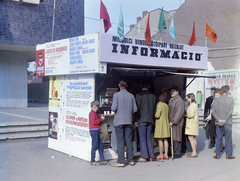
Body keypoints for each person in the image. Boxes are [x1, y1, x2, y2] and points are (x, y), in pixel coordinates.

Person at [111, 80, 138, 167]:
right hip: (128, 121)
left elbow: (113, 108)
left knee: (120, 141)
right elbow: (135, 109)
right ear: (126, 86)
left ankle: (121, 161)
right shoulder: (131, 96)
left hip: (119, 121)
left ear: (119, 85)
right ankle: (131, 160)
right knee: (128, 140)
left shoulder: (116, 95)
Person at [135, 80, 156, 162]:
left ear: (141, 86)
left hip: (141, 119)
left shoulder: (138, 96)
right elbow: (154, 109)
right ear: (149, 86)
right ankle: (151, 156)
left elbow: (137, 109)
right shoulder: (153, 96)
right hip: (150, 119)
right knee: (149, 138)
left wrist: (136, 120)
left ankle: (144, 156)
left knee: (142, 138)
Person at [212, 85, 235, 159]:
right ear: (228, 91)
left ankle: (217, 154)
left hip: (218, 122)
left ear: (221, 91)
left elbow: (213, 112)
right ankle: (228, 154)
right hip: (227, 122)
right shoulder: (231, 100)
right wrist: (225, 120)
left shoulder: (216, 100)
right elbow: (230, 112)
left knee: (219, 138)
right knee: (228, 138)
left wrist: (219, 119)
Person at [89, 101, 108, 165]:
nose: (96, 108)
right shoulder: (92, 113)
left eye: (97, 107)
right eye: (94, 107)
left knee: (100, 146)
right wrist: (101, 119)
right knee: (94, 146)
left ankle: (102, 160)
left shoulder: (94, 113)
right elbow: (94, 122)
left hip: (95, 130)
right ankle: (92, 160)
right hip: (94, 131)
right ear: (91, 107)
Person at [168, 85, 185, 158]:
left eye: (173, 91)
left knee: (176, 136)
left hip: (176, 122)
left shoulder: (179, 100)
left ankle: (177, 152)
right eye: (171, 91)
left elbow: (179, 112)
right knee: (173, 136)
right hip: (172, 121)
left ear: (177, 92)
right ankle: (173, 151)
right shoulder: (173, 99)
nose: (172, 92)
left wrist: (173, 121)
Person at [154, 92, 170, 160]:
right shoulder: (166, 105)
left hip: (160, 124)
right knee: (165, 140)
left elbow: (157, 115)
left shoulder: (159, 104)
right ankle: (166, 155)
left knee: (160, 140)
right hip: (166, 124)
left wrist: (154, 113)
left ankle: (160, 154)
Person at [185, 93, 199, 158]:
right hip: (194, 124)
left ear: (191, 98)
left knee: (190, 138)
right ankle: (194, 151)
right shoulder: (194, 105)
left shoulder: (192, 106)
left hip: (191, 124)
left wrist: (185, 115)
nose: (187, 99)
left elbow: (190, 115)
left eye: (188, 97)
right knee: (193, 138)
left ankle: (194, 152)